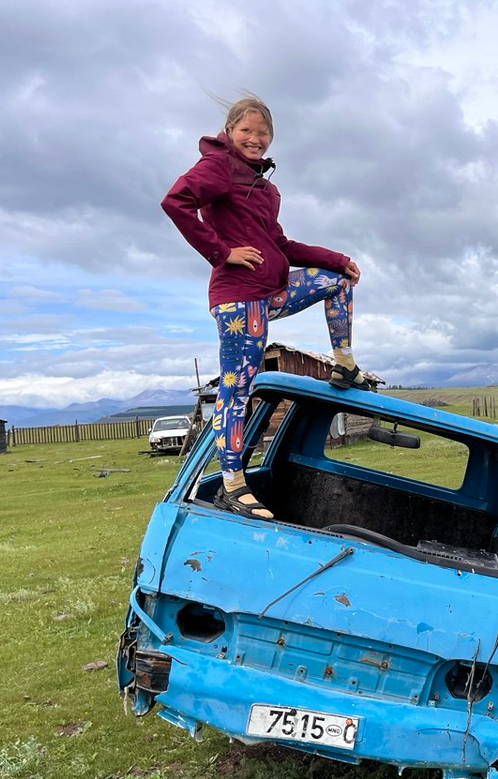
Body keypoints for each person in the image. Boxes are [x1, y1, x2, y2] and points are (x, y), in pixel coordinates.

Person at [162, 96, 365, 520]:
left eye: (263, 133)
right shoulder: (218, 167)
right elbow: (176, 203)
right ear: (231, 131)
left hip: (271, 291)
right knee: (238, 388)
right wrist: (222, 252)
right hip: (239, 299)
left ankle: (344, 365)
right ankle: (234, 484)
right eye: (246, 131)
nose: (255, 139)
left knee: (337, 284)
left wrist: (336, 259)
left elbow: (282, 245)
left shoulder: (265, 188)